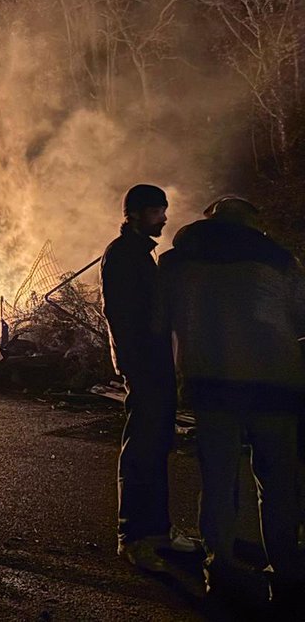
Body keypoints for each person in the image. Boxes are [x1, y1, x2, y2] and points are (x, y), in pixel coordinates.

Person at [159, 196, 305, 605]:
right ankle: (285, 571)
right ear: (251, 221)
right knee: (276, 482)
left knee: (219, 480)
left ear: (210, 220)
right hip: (274, 383)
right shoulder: (278, 258)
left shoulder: (177, 262)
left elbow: (160, 318)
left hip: (212, 383)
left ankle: (218, 566)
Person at [100, 184, 198, 572]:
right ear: (136, 214)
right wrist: (133, 363)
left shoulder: (141, 253)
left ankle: (158, 530)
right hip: (144, 364)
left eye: (164, 210)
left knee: (157, 445)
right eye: (158, 211)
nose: (164, 217)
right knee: (142, 447)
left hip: (155, 362)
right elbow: (121, 316)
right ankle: (132, 537)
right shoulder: (124, 254)